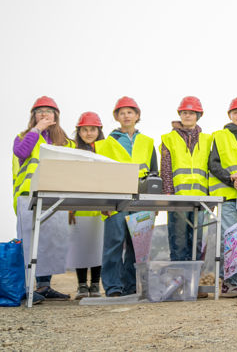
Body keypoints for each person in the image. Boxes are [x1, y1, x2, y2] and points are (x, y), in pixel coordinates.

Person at [12, 96, 74, 303]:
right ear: (33, 116)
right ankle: (26, 288)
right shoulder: (24, 136)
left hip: (54, 196)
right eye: (40, 111)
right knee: (29, 243)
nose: (44, 114)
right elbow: (21, 152)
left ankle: (45, 285)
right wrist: (37, 129)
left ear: (56, 116)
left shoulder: (65, 142)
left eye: (49, 111)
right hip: (28, 196)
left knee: (50, 242)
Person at [95, 96, 158, 297]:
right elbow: (100, 174)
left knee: (135, 246)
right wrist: (102, 201)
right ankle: (113, 287)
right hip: (115, 200)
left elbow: (154, 174)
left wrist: (154, 204)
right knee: (113, 243)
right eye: (122, 113)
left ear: (137, 116)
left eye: (130, 112)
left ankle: (130, 286)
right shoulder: (105, 144)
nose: (126, 116)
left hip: (141, 199)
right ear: (117, 117)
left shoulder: (148, 142)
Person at [161, 96, 212, 281]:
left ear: (198, 115)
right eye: (184, 112)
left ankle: (194, 284)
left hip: (200, 200)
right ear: (179, 114)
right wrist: (168, 195)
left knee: (198, 242)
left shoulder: (208, 139)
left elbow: (210, 168)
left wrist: (210, 197)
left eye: (191, 113)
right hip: (178, 200)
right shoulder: (169, 138)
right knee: (179, 240)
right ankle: (178, 283)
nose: (187, 115)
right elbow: (166, 168)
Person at [208, 97, 237, 297]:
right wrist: (230, 178)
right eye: (236, 112)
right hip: (227, 195)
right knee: (230, 238)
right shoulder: (219, 136)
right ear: (229, 115)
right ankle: (228, 282)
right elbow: (213, 164)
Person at [69, 112, 105, 299]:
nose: (89, 133)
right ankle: (82, 286)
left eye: (93, 129)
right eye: (85, 129)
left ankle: (95, 285)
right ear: (79, 131)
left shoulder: (105, 150)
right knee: (81, 246)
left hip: (100, 206)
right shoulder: (74, 151)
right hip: (79, 206)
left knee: (97, 246)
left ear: (99, 130)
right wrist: (70, 206)